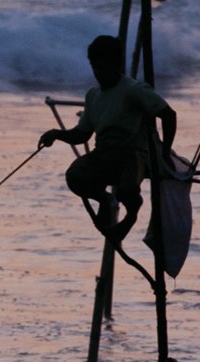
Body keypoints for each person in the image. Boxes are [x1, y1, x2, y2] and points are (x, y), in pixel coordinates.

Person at [38, 34, 178, 242]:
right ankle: (105, 200)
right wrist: (56, 135)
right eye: (95, 66)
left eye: (103, 66)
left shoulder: (134, 90)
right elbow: (82, 135)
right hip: (103, 153)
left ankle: (130, 216)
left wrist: (165, 153)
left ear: (116, 64)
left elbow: (168, 115)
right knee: (75, 176)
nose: (98, 72)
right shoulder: (93, 96)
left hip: (134, 154)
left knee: (127, 190)